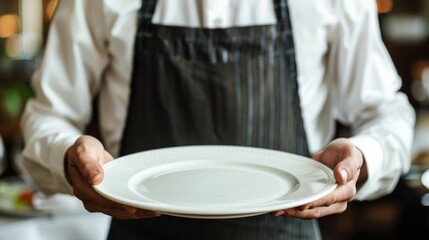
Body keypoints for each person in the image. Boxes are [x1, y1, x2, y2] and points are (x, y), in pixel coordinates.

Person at [20, 0, 416, 239]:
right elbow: (48, 113)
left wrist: (362, 157)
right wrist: (70, 158)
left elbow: (386, 110)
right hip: (141, 234)